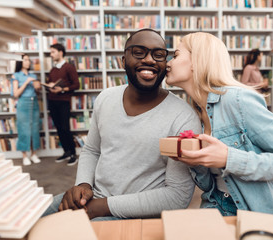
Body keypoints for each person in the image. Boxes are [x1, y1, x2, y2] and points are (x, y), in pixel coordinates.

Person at [43, 29, 202, 220]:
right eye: (138, 52)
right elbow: (92, 150)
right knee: (31, 220)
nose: (150, 60)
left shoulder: (183, 118)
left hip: (132, 213)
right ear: (123, 60)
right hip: (93, 198)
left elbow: (178, 196)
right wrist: (83, 185)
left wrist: (103, 206)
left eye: (158, 55)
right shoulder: (105, 98)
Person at [165, 32, 273, 216]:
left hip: (257, 213)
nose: (168, 62)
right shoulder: (196, 112)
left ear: (197, 61)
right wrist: (196, 162)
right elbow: (210, 184)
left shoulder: (237, 100)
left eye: (176, 55)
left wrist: (229, 159)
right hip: (215, 205)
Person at [47, 43, 80, 166]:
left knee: (66, 128)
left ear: (60, 52)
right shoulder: (53, 69)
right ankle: (66, 152)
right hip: (52, 101)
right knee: (59, 129)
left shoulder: (69, 67)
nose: (51, 55)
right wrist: (49, 86)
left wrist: (62, 89)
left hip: (63, 101)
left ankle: (73, 154)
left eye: (53, 52)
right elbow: (50, 82)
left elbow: (76, 85)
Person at [11, 54, 42, 166]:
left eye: (29, 60)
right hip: (23, 103)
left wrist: (37, 88)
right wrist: (26, 82)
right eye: (25, 60)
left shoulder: (33, 75)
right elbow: (15, 94)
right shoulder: (16, 76)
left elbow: (38, 92)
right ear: (20, 62)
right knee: (23, 129)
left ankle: (34, 154)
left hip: (34, 103)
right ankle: (24, 156)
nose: (28, 62)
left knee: (35, 128)